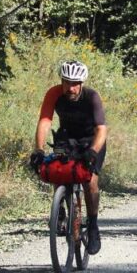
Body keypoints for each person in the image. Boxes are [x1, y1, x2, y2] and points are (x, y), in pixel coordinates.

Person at [30, 60, 108, 255]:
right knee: (58, 169)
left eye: (75, 83)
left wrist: (93, 152)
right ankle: (61, 210)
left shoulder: (92, 97)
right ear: (61, 81)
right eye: (66, 82)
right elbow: (45, 121)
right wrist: (38, 150)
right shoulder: (54, 94)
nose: (70, 87)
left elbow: (101, 130)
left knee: (90, 181)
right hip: (67, 137)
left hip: (91, 140)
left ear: (81, 83)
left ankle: (92, 226)